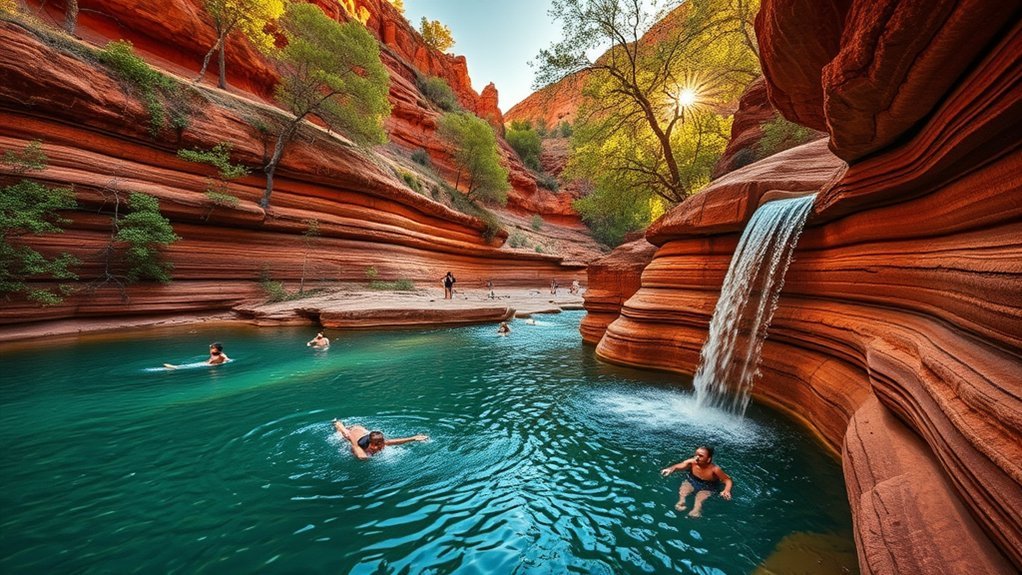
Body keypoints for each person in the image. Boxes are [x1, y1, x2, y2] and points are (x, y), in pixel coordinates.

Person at [660, 445, 733, 517]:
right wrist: (670, 469)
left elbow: (727, 480)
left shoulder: (715, 469)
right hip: (693, 480)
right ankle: (681, 501)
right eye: (696, 455)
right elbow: (680, 465)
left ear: (708, 459)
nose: (697, 457)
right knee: (685, 488)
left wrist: (726, 490)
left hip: (708, 486)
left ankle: (696, 510)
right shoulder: (692, 462)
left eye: (701, 456)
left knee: (700, 496)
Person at [332, 419, 428, 460]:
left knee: (363, 431)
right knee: (345, 434)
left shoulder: (380, 443)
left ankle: (358, 428)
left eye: (380, 445)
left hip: (363, 431)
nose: (379, 448)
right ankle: (337, 422)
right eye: (376, 446)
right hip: (354, 433)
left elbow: (390, 442)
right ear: (370, 443)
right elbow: (353, 443)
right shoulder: (361, 446)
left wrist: (413, 438)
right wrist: (342, 429)